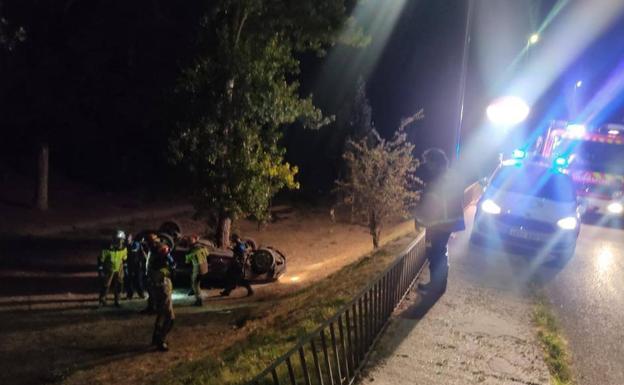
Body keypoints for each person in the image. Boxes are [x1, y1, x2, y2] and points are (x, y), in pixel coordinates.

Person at [413, 148, 465, 295]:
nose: (427, 166)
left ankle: (436, 287)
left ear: (436, 163)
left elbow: (431, 206)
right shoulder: (449, 177)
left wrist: (419, 220)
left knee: (436, 254)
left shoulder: (439, 180)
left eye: (429, 162)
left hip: (440, 225)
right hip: (447, 223)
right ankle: (438, 285)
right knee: (440, 253)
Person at [148, 242, 176, 351]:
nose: (168, 251)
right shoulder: (160, 262)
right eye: (165, 250)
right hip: (162, 290)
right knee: (169, 317)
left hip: (160, 289)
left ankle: (156, 338)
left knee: (161, 314)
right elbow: (170, 271)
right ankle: (161, 340)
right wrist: (170, 263)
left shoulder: (154, 259)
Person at [98, 230, 128, 307]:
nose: (120, 242)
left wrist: (125, 267)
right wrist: (100, 269)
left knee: (119, 284)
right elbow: (101, 259)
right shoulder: (107, 249)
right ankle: (102, 300)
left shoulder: (123, 248)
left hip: (119, 268)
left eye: (121, 240)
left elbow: (124, 258)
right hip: (108, 269)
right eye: (118, 240)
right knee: (106, 285)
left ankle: (117, 300)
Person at [184, 235, 209, 306]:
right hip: (205, 268)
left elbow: (187, 261)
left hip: (198, 269)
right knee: (196, 280)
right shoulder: (202, 247)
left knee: (196, 284)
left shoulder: (190, 251)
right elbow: (207, 254)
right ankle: (193, 290)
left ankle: (199, 300)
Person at [125, 234, 146, 299]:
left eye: (128, 239)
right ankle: (130, 295)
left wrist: (144, 262)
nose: (127, 240)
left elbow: (141, 253)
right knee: (129, 280)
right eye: (126, 239)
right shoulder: (126, 246)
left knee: (138, 280)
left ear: (131, 239)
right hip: (129, 265)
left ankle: (141, 294)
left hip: (137, 265)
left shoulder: (136, 244)